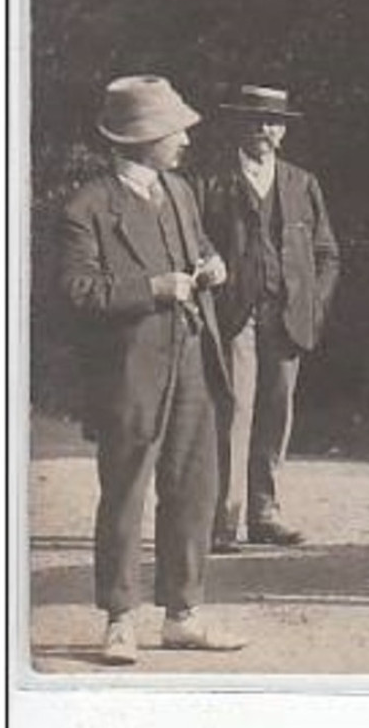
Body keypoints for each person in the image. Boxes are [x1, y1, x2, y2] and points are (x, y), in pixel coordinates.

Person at [58, 75, 246, 664]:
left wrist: (211, 264)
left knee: (193, 490)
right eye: (175, 132)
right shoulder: (86, 206)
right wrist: (154, 288)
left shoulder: (182, 192)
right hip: (130, 371)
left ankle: (183, 613)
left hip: (192, 357)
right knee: (126, 492)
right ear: (141, 139)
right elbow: (77, 291)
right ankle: (119, 619)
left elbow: (199, 249)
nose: (186, 141)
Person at [197, 84, 340, 553]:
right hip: (234, 312)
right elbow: (192, 239)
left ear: (284, 130)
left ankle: (265, 513)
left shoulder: (302, 183)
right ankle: (223, 517)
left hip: (288, 314)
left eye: (273, 122)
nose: (264, 129)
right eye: (254, 120)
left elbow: (326, 253)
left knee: (277, 411)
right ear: (238, 125)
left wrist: (315, 303)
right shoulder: (212, 182)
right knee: (234, 410)